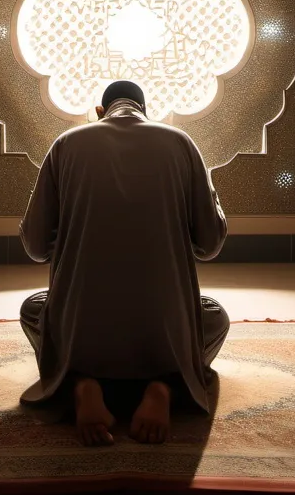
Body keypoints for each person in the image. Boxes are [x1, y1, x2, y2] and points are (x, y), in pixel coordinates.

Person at [18, 79, 229, 447]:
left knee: (33, 308)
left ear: (100, 112)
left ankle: (80, 384)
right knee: (213, 316)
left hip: (82, 336)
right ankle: (165, 387)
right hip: (165, 338)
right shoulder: (180, 143)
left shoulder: (65, 145)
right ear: (147, 112)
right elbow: (210, 244)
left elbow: (35, 247)